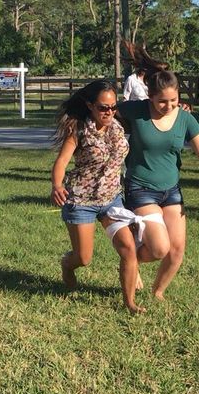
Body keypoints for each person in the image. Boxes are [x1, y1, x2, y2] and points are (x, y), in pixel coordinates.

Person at [117, 69, 199, 301]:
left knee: (176, 252)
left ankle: (158, 292)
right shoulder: (137, 110)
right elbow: (107, 111)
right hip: (141, 189)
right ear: (150, 96)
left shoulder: (185, 118)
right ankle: (130, 260)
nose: (169, 105)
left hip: (171, 191)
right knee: (158, 248)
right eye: (162, 101)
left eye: (173, 100)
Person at [51, 80, 144, 314]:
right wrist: (56, 185)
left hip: (111, 199)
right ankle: (67, 265)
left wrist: (181, 107)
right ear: (90, 105)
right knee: (83, 258)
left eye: (113, 107)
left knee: (128, 249)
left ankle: (130, 303)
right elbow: (62, 162)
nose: (109, 112)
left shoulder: (118, 127)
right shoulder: (79, 130)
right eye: (104, 108)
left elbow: (150, 110)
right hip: (81, 200)